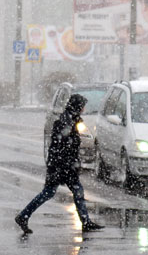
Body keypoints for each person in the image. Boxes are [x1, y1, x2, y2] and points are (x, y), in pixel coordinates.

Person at [15, 93, 103, 234]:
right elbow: (59, 147)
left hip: (63, 165)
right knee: (52, 192)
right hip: (62, 166)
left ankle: (24, 216)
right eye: (83, 107)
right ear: (78, 107)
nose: (84, 109)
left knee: (69, 191)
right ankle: (23, 216)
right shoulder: (65, 122)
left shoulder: (71, 120)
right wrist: (66, 164)